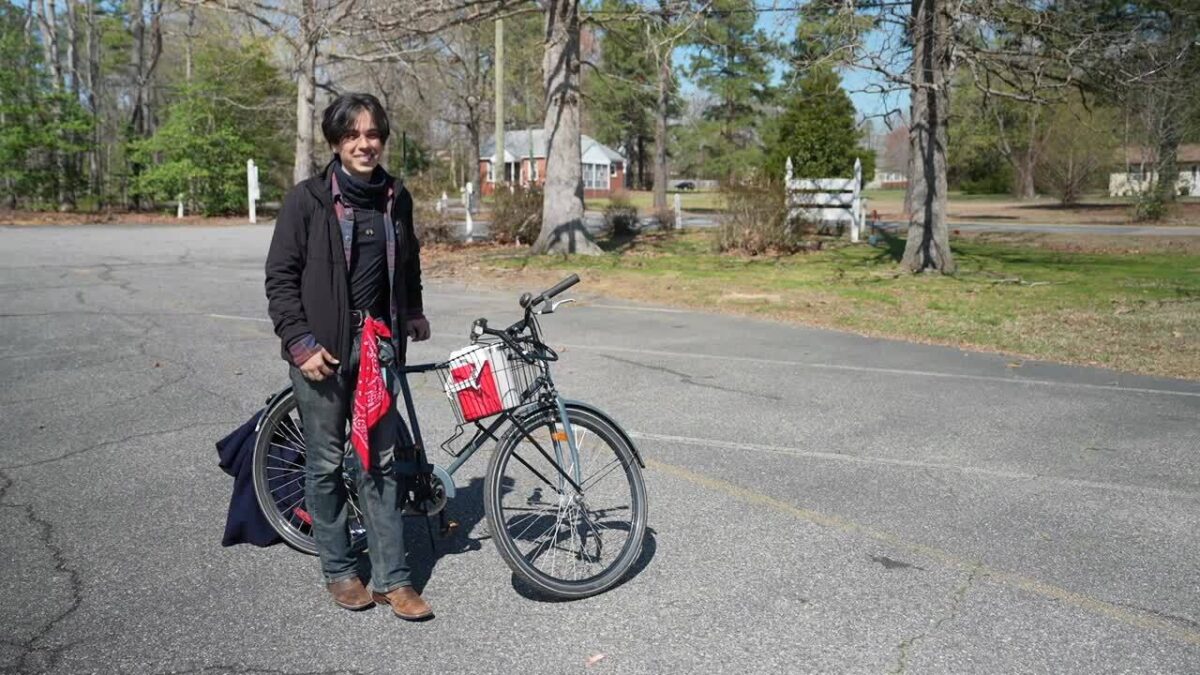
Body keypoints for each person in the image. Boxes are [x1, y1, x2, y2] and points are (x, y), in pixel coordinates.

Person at [265, 93, 433, 620]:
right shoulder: (307, 200)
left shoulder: (395, 198)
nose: (365, 144)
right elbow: (280, 279)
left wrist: (412, 310)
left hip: (378, 346)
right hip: (322, 353)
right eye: (353, 135)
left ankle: (394, 579)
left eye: (373, 134)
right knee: (325, 463)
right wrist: (300, 343)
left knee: (379, 463)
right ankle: (339, 570)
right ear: (336, 142)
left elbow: (408, 265)